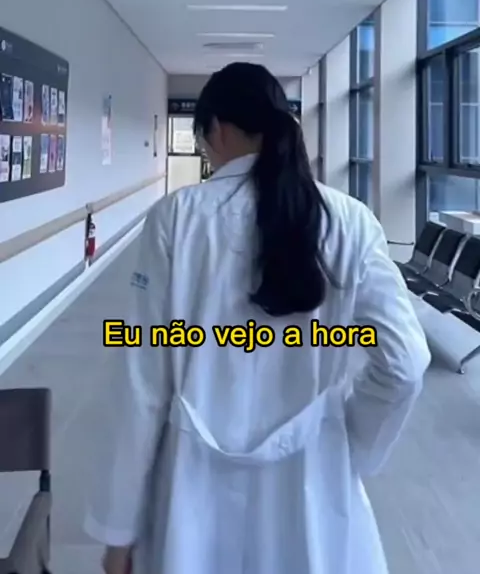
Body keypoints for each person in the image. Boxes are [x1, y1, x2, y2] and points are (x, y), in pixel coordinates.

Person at [85, 62, 430, 574]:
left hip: (191, 496)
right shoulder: (350, 221)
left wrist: (118, 531)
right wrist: (345, 444)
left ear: (217, 129)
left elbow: (143, 381)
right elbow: (404, 363)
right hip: (314, 490)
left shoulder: (177, 218)